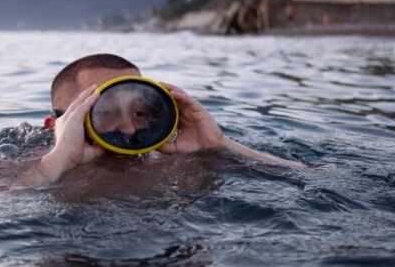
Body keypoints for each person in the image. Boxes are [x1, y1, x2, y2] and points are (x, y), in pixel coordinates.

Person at [19, 54, 303, 186]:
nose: (130, 128)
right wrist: (56, 164)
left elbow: (311, 178)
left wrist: (219, 145)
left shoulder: (172, 161)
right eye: (103, 112)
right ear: (55, 125)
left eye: (140, 112)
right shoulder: (19, 166)